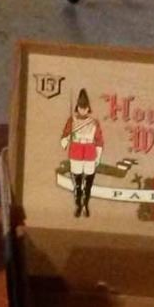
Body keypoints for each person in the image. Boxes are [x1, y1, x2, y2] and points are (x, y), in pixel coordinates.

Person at [60, 89, 104, 218]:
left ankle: (86, 204)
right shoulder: (72, 120)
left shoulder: (94, 122)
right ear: (77, 108)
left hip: (90, 151)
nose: (83, 110)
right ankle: (78, 204)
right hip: (76, 151)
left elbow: (99, 140)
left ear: (88, 108)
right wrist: (67, 138)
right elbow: (65, 136)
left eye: (85, 108)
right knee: (77, 183)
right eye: (80, 107)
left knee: (88, 183)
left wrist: (98, 156)